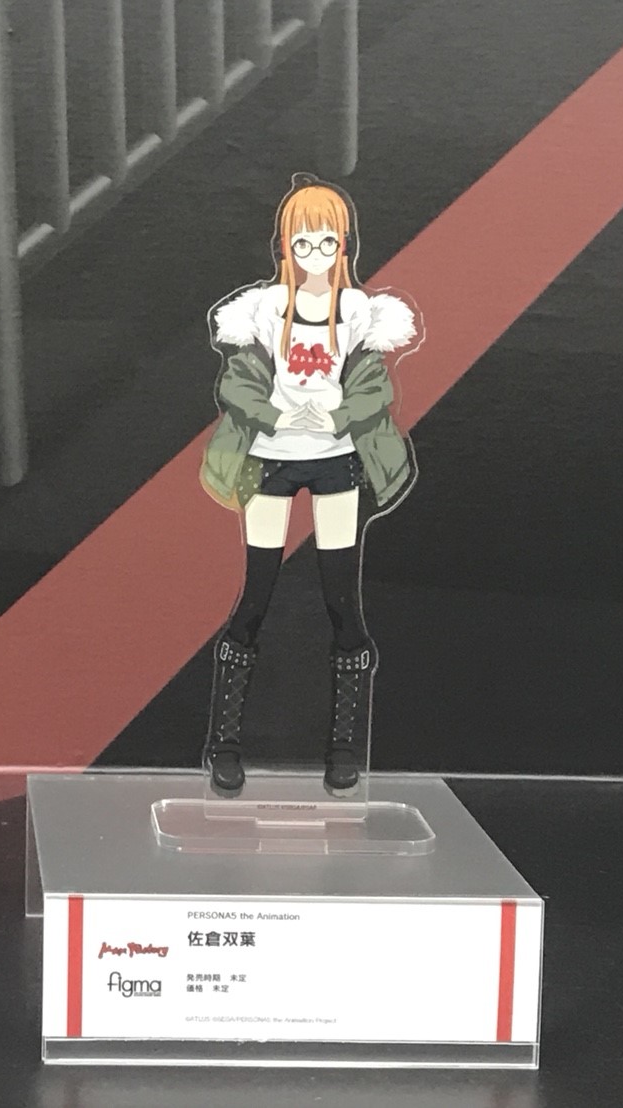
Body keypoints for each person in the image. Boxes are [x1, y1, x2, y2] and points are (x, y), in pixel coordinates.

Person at [199, 174, 418, 796]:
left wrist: (335, 417)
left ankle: (344, 748)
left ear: (343, 245)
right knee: (256, 596)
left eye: (326, 243)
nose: (315, 254)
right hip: (270, 461)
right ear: (285, 246)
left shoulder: (359, 314)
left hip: (336, 461)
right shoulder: (262, 311)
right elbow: (237, 384)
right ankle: (224, 745)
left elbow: (374, 388)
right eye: (303, 243)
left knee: (341, 601)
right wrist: (274, 415)